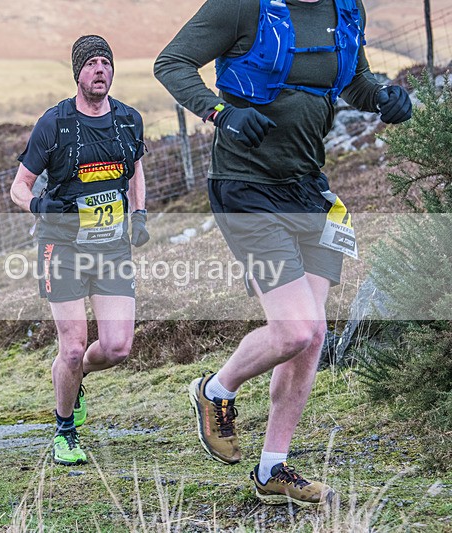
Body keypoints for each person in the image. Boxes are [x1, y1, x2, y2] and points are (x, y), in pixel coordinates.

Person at [154, 0, 411, 506]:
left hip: (308, 188)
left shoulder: (345, 8)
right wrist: (221, 113)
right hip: (246, 188)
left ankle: (273, 467)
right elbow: (172, 62)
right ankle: (216, 390)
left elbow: (351, 80)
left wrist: (383, 96)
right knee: (295, 328)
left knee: (311, 337)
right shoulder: (242, 6)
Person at [11, 35, 149, 466]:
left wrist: (139, 216)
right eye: (91, 63)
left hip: (111, 248)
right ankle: (64, 431)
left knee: (117, 347)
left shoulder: (128, 120)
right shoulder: (54, 124)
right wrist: (38, 204)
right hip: (62, 246)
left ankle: (77, 377)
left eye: (106, 62)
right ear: (78, 72)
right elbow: (19, 186)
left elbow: (135, 174)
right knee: (71, 347)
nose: (100, 69)